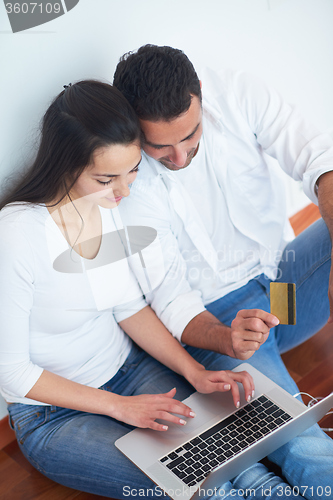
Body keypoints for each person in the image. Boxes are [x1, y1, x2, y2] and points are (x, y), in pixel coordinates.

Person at [0, 79, 278, 500]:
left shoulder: (106, 206)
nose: (125, 190)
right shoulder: (17, 235)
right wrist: (119, 408)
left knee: (246, 467)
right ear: (65, 164)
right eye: (107, 177)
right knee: (206, 489)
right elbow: (12, 373)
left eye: (132, 171)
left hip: (131, 372)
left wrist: (194, 372)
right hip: (54, 416)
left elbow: (128, 307)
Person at [113, 45, 333, 497]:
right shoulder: (128, 183)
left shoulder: (235, 92)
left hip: (282, 288)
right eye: (160, 146)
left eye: (190, 135)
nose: (178, 156)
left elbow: (318, 157)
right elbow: (172, 301)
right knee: (296, 435)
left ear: (200, 98)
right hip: (224, 320)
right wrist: (226, 339)